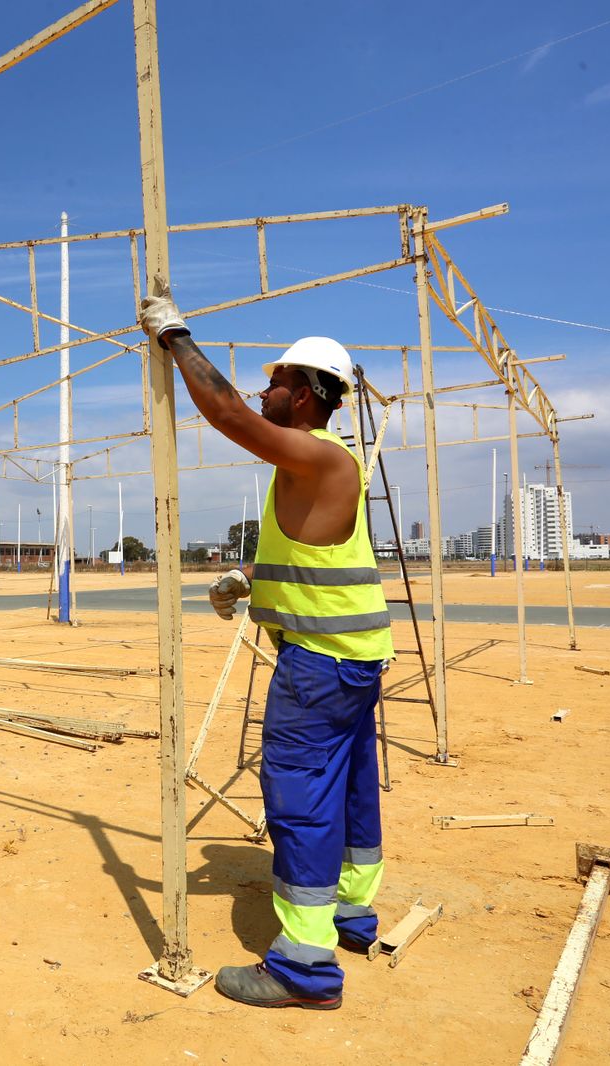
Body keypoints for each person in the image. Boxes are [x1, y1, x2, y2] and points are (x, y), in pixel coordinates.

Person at [140, 289, 393, 1012]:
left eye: (278, 380)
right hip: (350, 660)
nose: (264, 389)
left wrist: (176, 336)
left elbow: (228, 415)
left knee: (302, 805)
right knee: (347, 794)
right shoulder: (315, 470)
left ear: (309, 394)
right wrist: (246, 577)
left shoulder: (320, 454)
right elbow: (310, 554)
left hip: (320, 666)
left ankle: (304, 969)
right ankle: (351, 915)